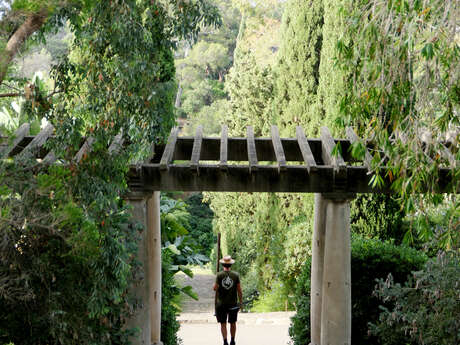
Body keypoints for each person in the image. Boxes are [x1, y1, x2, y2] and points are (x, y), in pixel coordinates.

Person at [213, 255, 243, 345]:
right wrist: (240, 302)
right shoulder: (236, 275)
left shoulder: (219, 275)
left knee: (223, 323)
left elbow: (215, 288)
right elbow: (239, 290)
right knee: (233, 323)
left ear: (222, 265)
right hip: (233, 303)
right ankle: (233, 341)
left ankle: (225, 341)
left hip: (221, 304)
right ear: (231, 265)